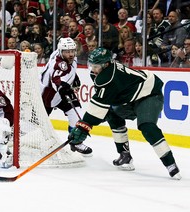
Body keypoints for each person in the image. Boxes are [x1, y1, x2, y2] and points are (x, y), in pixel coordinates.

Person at [69, 47, 181, 180]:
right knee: (112, 114)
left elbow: (96, 109)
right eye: (91, 65)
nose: (92, 69)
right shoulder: (99, 72)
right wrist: (86, 124)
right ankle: (125, 155)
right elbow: (101, 104)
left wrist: (82, 127)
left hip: (149, 93)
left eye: (96, 66)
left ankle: (170, 164)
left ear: (106, 65)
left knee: (147, 126)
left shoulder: (107, 76)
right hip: (129, 97)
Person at [40, 37, 92, 155]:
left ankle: (76, 142)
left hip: (60, 93)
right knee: (38, 123)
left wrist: (74, 77)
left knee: (76, 113)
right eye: (67, 52)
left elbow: (70, 70)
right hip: (47, 95)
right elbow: (56, 78)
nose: (70, 54)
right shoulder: (60, 64)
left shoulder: (65, 56)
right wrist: (63, 86)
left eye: (72, 51)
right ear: (60, 51)